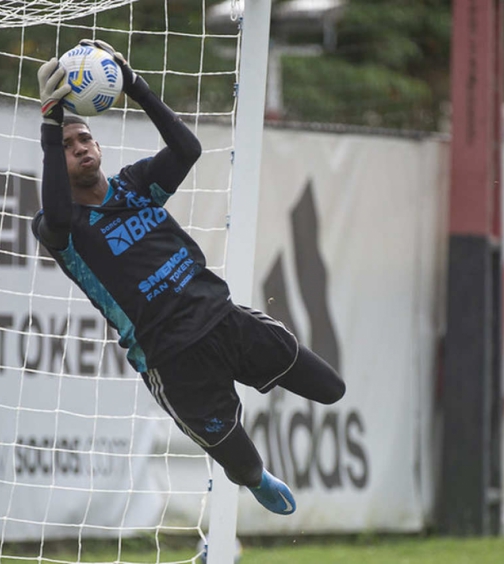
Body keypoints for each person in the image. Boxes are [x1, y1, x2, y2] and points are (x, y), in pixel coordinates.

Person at [32, 39, 346, 515]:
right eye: (67, 147)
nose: (78, 149)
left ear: (98, 145)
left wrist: (135, 85)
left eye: (84, 140)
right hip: (173, 360)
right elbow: (55, 208)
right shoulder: (62, 228)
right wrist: (51, 121)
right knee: (242, 467)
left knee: (331, 389)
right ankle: (255, 478)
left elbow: (188, 148)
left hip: (224, 321)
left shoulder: (135, 186)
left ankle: (252, 460)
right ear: (58, 159)